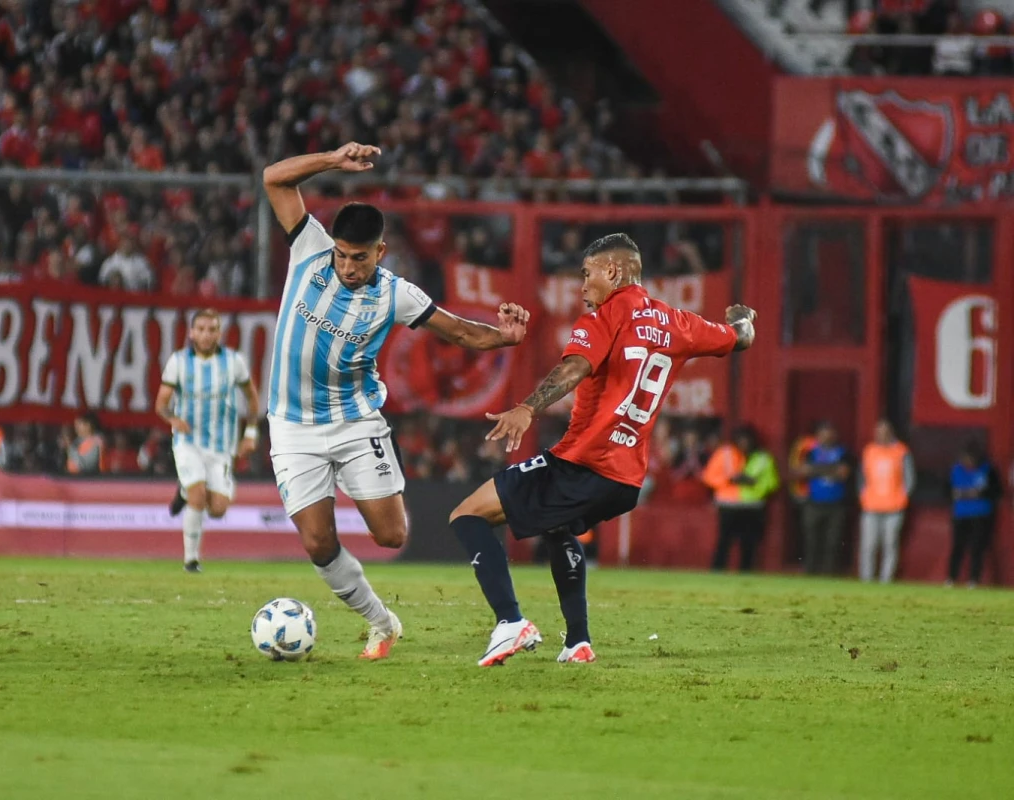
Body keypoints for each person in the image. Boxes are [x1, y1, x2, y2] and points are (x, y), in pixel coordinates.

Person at [262, 142, 530, 660]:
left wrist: (504, 338)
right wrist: (333, 161)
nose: (347, 266)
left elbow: (459, 333)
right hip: (292, 428)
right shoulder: (309, 250)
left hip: (356, 420)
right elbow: (274, 178)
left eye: (359, 257)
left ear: (380, 253)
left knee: (391, 534)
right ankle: (381, 623)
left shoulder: (393, 293)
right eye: (342, 254)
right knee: (317, 543)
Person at [450, 232, 756, 667]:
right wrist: (743, 317)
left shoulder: (605, 318)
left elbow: (575, 366)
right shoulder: (679, 323)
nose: (583, 285)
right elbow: (740, 337)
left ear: (612, 271)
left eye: (587, 273)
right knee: (559, 529)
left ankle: (510, 622)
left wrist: (527, 408)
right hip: (626, 477)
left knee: (466, 515)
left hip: (584, 461)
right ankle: (578, 641)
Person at [155, 309, 260, 573]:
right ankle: (191, 561)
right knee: (198, 495)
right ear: (191, 333)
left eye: (211, 329)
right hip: (187, 441)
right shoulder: (178, 362)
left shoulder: (234, 362)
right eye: (200, 329)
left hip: (222, 446)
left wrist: (250, 434)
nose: (205, 334)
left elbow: (252, 398)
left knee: (218, 509)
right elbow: (161, 403)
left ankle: (182, 490)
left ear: (219, 333)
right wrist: (172, 420)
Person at [702, 425, 779, 573]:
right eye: (741, 440)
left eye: (747, 440)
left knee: (749, 543)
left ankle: (746, 572)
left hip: (752, 506)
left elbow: (772, 482)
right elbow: (709, 476)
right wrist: (729, 480)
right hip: (728, 505)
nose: (745, 443)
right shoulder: (724, 454)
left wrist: (753, 484)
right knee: (724, 541)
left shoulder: (763, 458)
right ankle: (717, 571)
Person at [857, 420, 915, 583]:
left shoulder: (900, 451)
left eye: (884, 431)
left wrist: (903, 497)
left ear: (891, 432)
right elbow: (861, 477)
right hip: (871, 505)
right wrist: (863, 495)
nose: (881, 435)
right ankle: (866, 579)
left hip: (894, 506)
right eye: (878, 431)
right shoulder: (869, 451)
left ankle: (886, 580)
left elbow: (909, 479)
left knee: (890, 544)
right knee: (868, 545)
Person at [798, 422, 850, 575]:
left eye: (829, 433)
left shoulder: (843, 452)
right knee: (811, 540)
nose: (826, 437)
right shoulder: (811, 452)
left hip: (836, 503)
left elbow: (843, 473)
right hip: (813, 502)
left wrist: (817, 469)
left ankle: (829, 573)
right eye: (823, 433)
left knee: (833, 542)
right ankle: (809, 572)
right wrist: (831, 469)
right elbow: (804, 471)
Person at [948, 443, 1000, 588]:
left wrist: (980, 493)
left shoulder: (987, 470)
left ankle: (973, 580)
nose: (968, 462)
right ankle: (951, 578)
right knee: (958, 547)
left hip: (980, 514)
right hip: (961, 513)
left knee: (977, 548)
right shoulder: (956, 469)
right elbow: (946, 490)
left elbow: (997, 491)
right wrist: (956, 494)